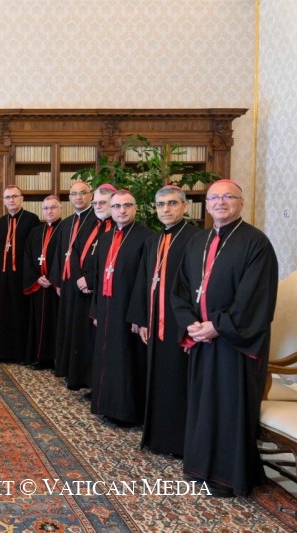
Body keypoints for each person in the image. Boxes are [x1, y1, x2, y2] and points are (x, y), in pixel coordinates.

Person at [171, 179, 278, 497]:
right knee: (203, 405)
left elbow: (255, 298)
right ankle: (200, 467)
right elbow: (180, 290)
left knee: (229, 407)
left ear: (241, 203)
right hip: (202, 340)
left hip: (235, 343)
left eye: (227, 197)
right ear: (206, 204)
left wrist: (217, 326)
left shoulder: (256, 243)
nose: (220, 202)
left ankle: (230, 477)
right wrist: (190, 323)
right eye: (214, 197)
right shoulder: (198, 241)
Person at [126, 185, 199, 457]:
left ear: (184, 206)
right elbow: (145, 281)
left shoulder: (195, 239)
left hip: (179, 324)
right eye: (160, 205)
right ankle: (156, 436)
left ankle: (178, 441)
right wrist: (142, 319)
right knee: (155, 378)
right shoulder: (154, 240)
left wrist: (191, 325)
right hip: (154, 323)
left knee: (176, 380)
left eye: (172, 204)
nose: (166, 209)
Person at [89, 190, 152, 426]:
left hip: (129, 310)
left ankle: (127, 412)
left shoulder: (147, 238)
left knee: (126, 359)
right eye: (116, 206)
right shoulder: (104, 238)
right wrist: (95, 309)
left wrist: (140, 314)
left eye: (127, 206)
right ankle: (105, 405)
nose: (121, 211)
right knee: (106, 356)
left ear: (136, 208)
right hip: (106, 307)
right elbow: (97, 277)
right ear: (110, 210)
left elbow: (145, 281)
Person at [63, 184, 116, 390]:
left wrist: (90, 280)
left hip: (99, 292)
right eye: (96, 203)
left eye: (103, 203)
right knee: (82, 339)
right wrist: (79, 278)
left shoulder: (116, 227)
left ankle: (97, 383)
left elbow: (110, 264)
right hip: (81, 290)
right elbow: (73, 251)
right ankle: (83, 379)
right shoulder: (89, 223)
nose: (98, 206)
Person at [49, 181, 96, 388]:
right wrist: (57, 281)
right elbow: (61, 254)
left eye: (82, 193)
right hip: (67, 284)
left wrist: (86, 278)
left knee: (81, 329)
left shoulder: (97, 221)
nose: (78, 197)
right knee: (67, 325)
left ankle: (81, 375)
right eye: (74, 194)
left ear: (91, 196)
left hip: (83, 284)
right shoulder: (66, 223)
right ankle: (67, 369)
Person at [0, 185, 41, 363]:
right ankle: (5, 353)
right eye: (8, 197)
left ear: (21, 199)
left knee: (22, 314)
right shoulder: (1, 221)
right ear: (4, 201)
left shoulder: (31, 219)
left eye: (14, 196)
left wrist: (33, 275)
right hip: (5, 276)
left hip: (24, 275)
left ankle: (23, 354)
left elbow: (36, 249)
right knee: (6, 314)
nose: (11, 200)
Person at [22, 195, 63, 368]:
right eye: (46, 208)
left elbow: (65, 258)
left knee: (56, 323)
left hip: (56, 287)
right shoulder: (35, 232)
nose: (49, 211)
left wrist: (53, 279)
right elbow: (28, 258)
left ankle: (57, 359)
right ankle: (41, 357)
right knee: (39, 323)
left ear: (60, 208)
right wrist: (37, 278)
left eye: (53, 207)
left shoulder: (65, 229)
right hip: (38, 285)